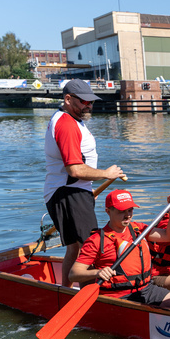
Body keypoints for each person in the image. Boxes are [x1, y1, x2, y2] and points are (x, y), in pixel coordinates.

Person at [45, 79, 125, 286]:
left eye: (91, 102)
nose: (88, 106)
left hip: (70, 192)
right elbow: (75, 169)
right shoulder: (67, 125)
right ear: (68, 99)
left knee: (75, 247)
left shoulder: (69, 119)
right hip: (69, 193)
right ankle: (90, 298)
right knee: (91, 247)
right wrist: (106, 174)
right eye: (84, 102)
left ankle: (66, 291)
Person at [68, 189, 170, 310]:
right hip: (116, 296)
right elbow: (74, 275)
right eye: (121, 211)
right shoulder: (96, 240)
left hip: (145, 289)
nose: (127, 215)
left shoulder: (140, 230)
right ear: (108, 211)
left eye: (130, 210)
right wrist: (97, 272)